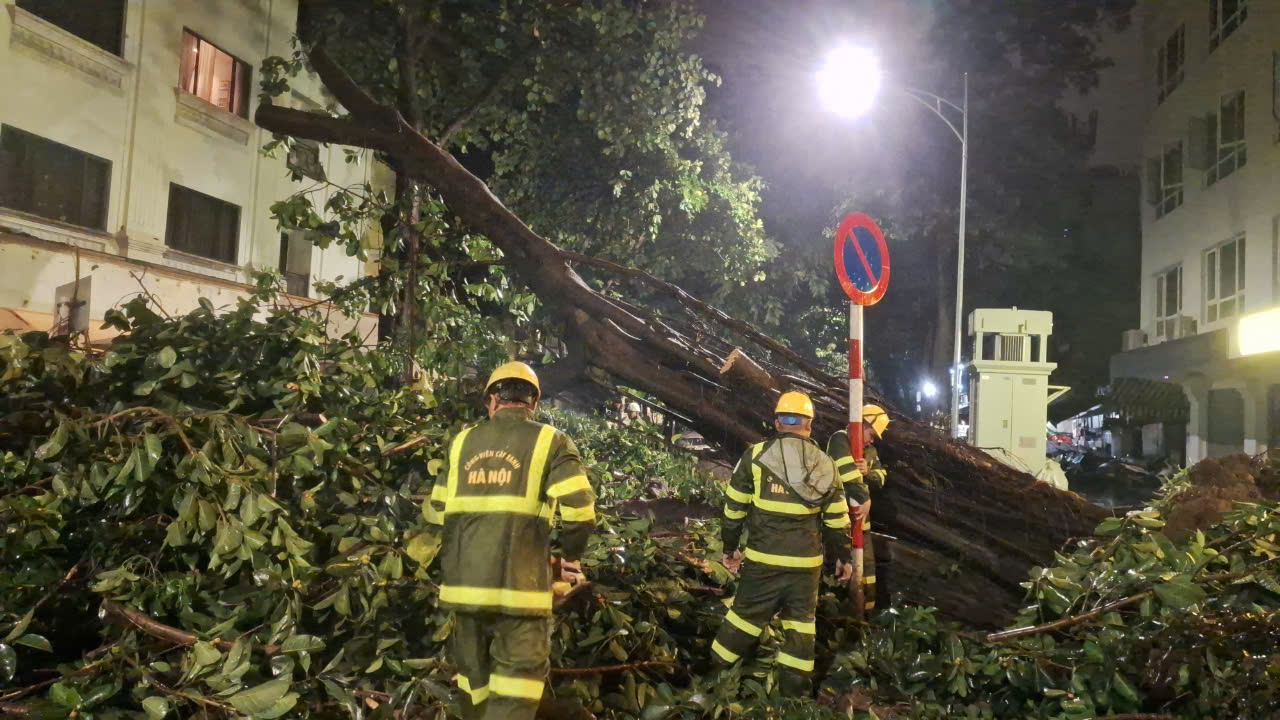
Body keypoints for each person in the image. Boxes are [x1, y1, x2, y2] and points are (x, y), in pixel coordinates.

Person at [423, 361, 597, 720]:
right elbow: (580, 511)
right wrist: (569, 559)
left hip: (463, 590)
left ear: (492, 400)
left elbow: (436, 512)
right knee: (517, 685)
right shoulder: (551, 440)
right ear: (533, 402)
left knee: (475, 682)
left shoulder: (461, 443)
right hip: (520, 592)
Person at [711, 391, 854, 697]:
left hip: (764, 561)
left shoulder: (756, 456)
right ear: (809, 425)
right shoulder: (826, 464)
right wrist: (842, 558)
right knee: (800, 628)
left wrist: (729, 548)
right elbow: (838, 521)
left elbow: (733, 508)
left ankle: (714, 681)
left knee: (744, 618)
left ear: (777, 423)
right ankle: (794, 700)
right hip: (806, 567)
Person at [826, 404, 891, 614]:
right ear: (861, 423)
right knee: (841, 566)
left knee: (867, 568)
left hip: (863, 523)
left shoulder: (870, 451)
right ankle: (839, 616)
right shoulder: (839, 440)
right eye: (871, 434)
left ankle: (866, 617)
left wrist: (868, 473)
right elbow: (848, 477)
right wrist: (866, 498)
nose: (872, 440)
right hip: (839, 520)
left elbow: (881, 477)